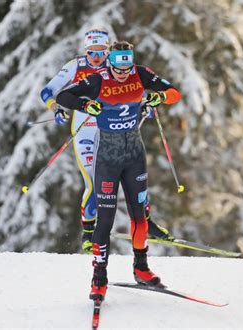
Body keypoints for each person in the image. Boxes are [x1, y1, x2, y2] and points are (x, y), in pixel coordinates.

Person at [56, 41, 182, 301]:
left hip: (135, 155)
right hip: (108, 159)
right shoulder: (97, 79)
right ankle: (99, 278)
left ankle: (141, 268)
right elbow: (63, 96)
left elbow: (174, 92)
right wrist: (85, 106)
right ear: (110, 63)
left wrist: (160, 96)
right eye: (118, 66)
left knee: (140, 216)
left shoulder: (141, 74)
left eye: (127, 65)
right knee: (106, 219)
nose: (123, 72)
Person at [40, 30, 173, 254]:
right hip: (86, 131)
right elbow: (48, 91)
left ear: (109, 51)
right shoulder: (76, 66)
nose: (95, 58)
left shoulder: (121, 69)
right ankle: (88, 233)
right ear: (85, 51)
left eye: (101, 53)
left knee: (136, 177)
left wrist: (148, 104)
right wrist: (56, 109)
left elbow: (139, 91)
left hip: (115, 131)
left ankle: (146, 222)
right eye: (91, 53)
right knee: (93, 182)